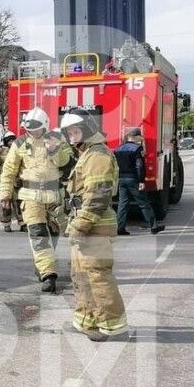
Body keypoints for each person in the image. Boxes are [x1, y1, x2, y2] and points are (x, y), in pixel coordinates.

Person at [60, 109, 127, 342]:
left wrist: (81, 225)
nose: (72, 137)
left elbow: (97, 196)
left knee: (98, 277)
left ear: (87, 130)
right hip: (87, 225)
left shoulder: (97, 155)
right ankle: (87, 321)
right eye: (69, 132)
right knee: (82, 275)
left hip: (94, 227)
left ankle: (111, 326)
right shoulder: (87, 154)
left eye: (76, 131)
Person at [0, 108, 75, 293]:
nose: (32, 132)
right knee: (38, 235)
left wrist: (54, 149)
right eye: (29, 128)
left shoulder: (58, 139)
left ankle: (43, 264)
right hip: (30, 196)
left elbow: (67, 164)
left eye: (36, 128)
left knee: (53, 236)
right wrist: (5, 194)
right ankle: (49, 274)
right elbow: (9, 171)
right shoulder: (19, 144)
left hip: (54, 197)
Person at [113, 128, 164, 235]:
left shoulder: (118, 149)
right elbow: (139, 166)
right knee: (143, 203)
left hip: (121, 179)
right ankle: (153, 226)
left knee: (123, 204)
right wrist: (141, 181)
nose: (140, 139)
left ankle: (120, 228)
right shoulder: (137, 148)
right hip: (133, 179)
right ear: (135, 137)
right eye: (139, 137)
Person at [0, 131, 22, 232]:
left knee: (19, 204)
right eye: (9, 140)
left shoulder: (18, 151)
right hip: (3, 183)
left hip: (16, 182)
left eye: (13, 140)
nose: (11, 142)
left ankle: (22, 223)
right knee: (5, 205)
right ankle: (6, 224)